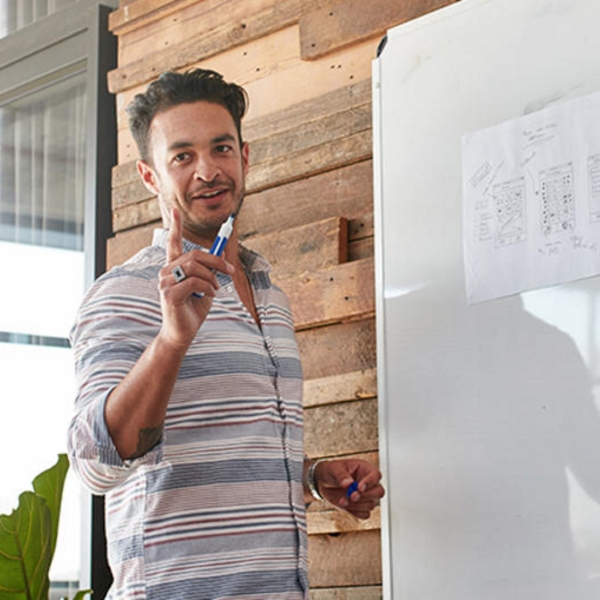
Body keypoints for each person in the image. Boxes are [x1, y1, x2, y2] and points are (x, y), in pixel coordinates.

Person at [67, 68, 384, 599]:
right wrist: (171, 340)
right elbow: (95, 465)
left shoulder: (270, 297)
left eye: (221, 148)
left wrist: (309, 478)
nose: (208, 170)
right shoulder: (124, 294)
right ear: (151, 177)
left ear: (245, 157)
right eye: (182, 156)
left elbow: (221, 452)